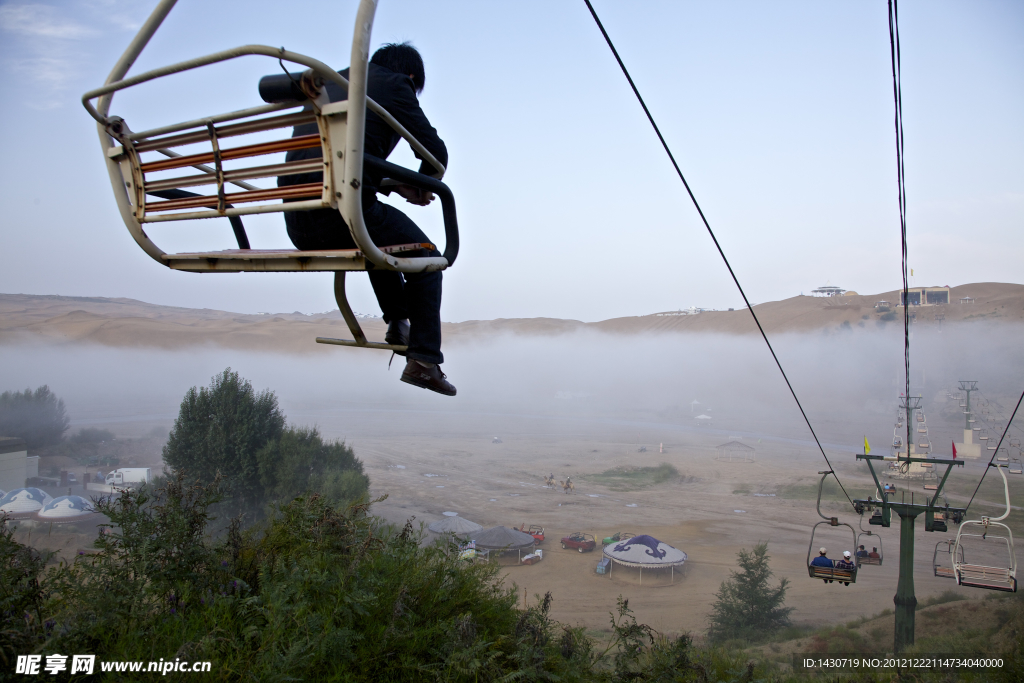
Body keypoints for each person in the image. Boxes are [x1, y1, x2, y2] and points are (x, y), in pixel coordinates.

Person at [279, 42, 455, 396]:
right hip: (343, 216)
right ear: (409, 76)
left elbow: (341, 164)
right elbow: (436, 152)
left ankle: (399, 324)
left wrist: (399, 186)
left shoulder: (330, 84)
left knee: (382, 240)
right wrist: (423, 182)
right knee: (427, 256)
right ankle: (423, 360)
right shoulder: (393, 83)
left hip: (298, 223)